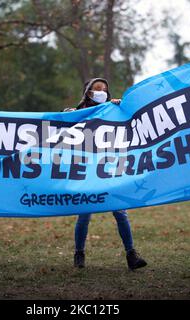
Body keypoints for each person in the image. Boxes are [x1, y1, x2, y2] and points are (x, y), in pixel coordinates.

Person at [64, 78, 147, 270]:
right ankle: (79, 253)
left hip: (108, 168)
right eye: (97, 89)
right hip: (86, 170)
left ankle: (131, 254)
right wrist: (68, 115)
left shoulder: (111, 109)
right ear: (89, 92)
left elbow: (129, 120)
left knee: (120, 212)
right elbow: (61, 125)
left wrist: (119, 107)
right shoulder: (79, 112)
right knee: (84, 215)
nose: (102, 92)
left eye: (105, 90)